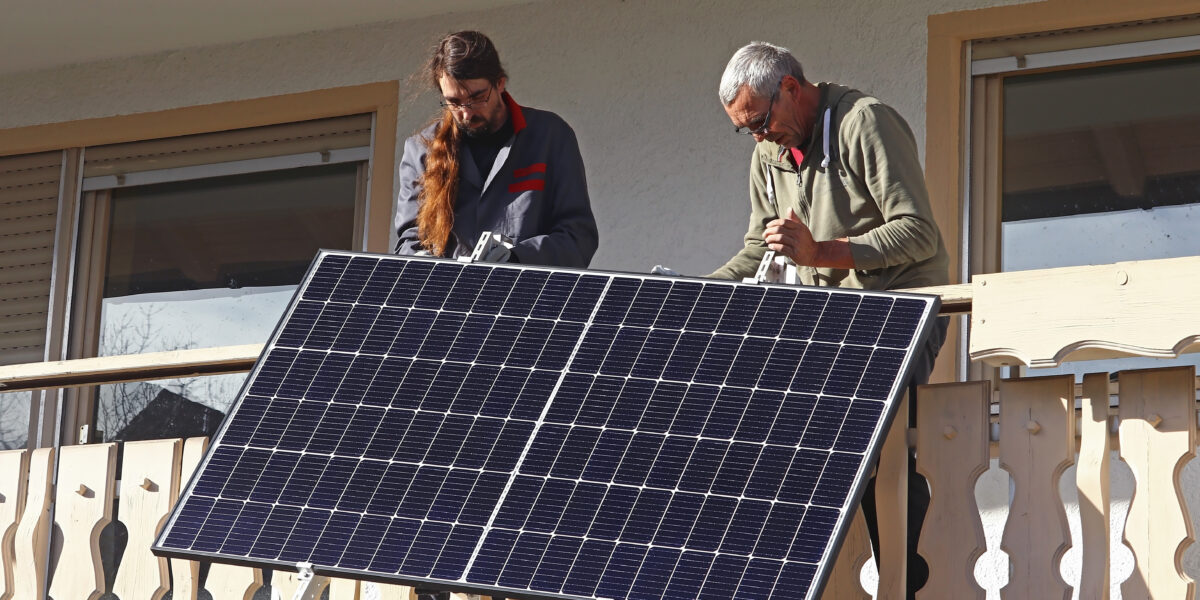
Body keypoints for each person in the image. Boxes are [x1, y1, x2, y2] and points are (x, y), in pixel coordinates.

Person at [712, 41, 951, 599]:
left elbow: (918, 233)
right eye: (744, 130)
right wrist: (702, 292)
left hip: (899, 310)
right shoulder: (768, 153)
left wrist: (821, 253)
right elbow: (759, 245)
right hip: (835, 325)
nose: (758, 137)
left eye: (761, 121)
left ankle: (904, 579)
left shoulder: (865, 123)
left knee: (881, 448)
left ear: (791, 88)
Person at [394, 30, 598, 268]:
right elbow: (410, 242)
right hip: (449, 300)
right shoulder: (421, 151)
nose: (466, 113)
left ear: (500, 83)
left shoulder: (550, 136)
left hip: (530, 298)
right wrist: (423, 265)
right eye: (454, 102)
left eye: (477, 97)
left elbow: (578, 238)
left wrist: (517, 257)